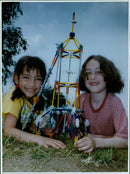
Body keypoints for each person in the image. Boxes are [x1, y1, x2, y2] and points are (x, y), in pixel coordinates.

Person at [2, 56, 66, 149]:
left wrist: (44, 130)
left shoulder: (36, 100)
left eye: (38, 79)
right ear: (16, 79)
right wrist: (38, 139)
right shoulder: (14, 98)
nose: (32, 84)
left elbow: (30, 126)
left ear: (43, 82)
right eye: (26, 77)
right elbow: (8, 130)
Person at [74, 55, 128, 153]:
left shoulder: (114, 103)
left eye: (99, 72)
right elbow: (72, 130)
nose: (92, 76)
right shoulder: (80, 100)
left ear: (108, 75)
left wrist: (95, 142)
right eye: (88, 72)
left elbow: (125, 140)